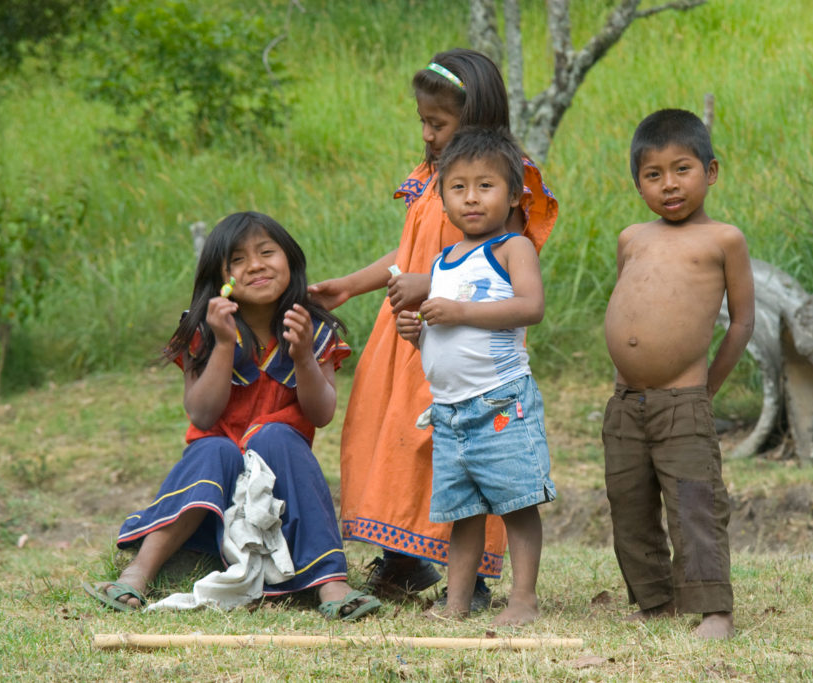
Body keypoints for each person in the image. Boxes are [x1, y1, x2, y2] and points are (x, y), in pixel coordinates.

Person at [309, 48, 558, 607]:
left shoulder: (498, 182)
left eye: (437, 123)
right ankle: (405, 561)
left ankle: (475, 580)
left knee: (450, 450)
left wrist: (433, 289)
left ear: (472, 121)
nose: (426, 133)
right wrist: (350, 284)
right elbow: (410, 250)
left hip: (463, 344)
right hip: (408, 336)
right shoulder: (434, 176)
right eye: (422, 120)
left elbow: (496, 266)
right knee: (397, 443)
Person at [83, 211, 380, 621]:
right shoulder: (202, 330)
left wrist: (303, 357)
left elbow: (322, 413)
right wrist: (224, 345)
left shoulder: (313, 328)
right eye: (237, 260)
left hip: (279, 488)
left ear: (291, 261)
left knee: (276, 435)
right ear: (219, 279)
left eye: (267, 252)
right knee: (215, 449)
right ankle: (139, 573)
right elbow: (203, 415)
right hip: (214, 493)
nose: (255, 265)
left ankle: (332, 582)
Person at [603, 109, 755, 639]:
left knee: (695, 502)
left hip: (683, 401)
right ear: (638, 183)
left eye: (682, 169)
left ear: (710, 172)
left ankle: (715, 610)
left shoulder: (723, 240)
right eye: (653, 174)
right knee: (628, 502)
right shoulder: (631, 238)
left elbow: (741, 323)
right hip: (626, 402)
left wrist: (707, 387)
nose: (669, 184)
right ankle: (654, 600)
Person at [397, 126, 555, 626]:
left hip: (500, 401)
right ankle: (456, 603)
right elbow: (446, 337)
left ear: (513, 195)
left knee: (517, 502)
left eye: (485, 186)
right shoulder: (443, 262)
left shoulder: (514, 248)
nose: (471, 198)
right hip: (450, 410)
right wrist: (415, 333)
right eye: (458, 187)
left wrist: (459, 311)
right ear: (441, 198)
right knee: (462, 511)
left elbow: (530, 307)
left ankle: (523, 599)